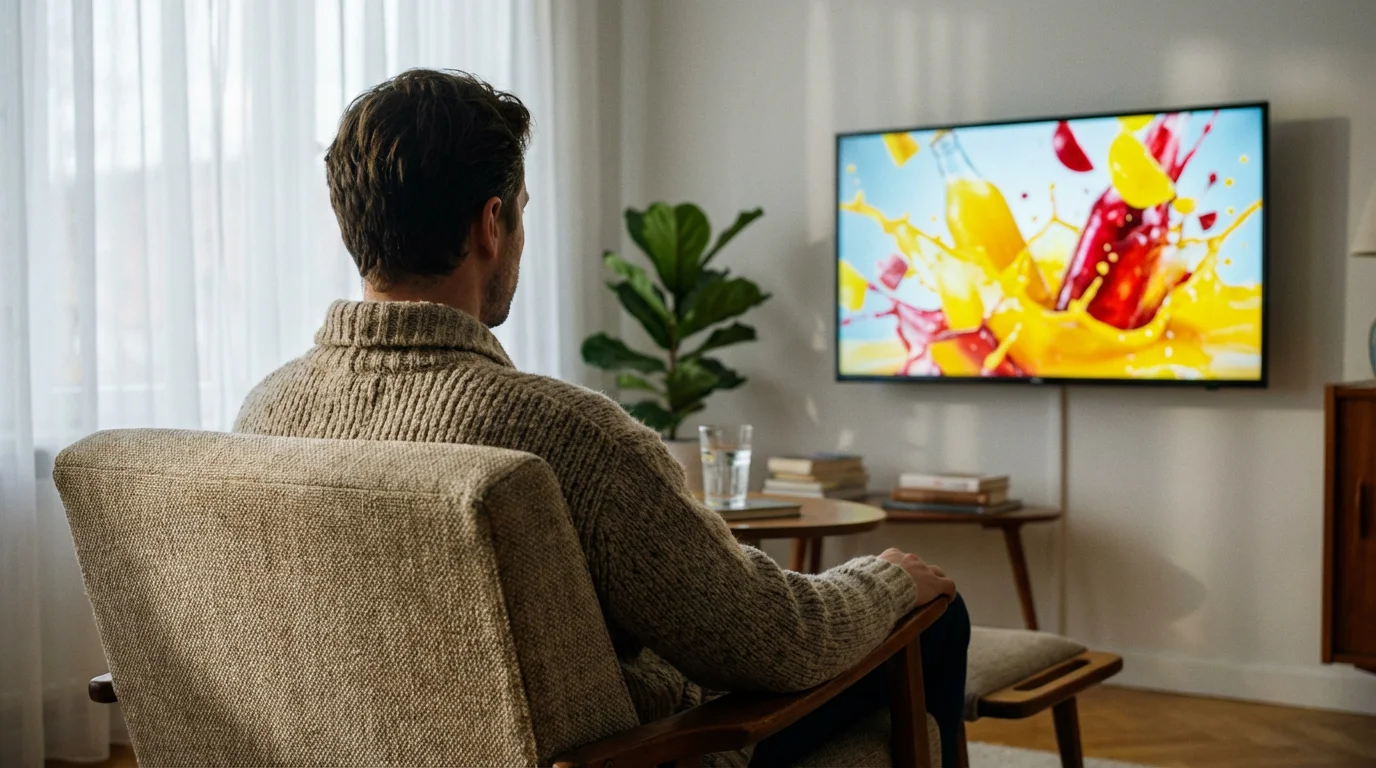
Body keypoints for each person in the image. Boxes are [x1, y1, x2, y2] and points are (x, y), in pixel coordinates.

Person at [234, 68, 970, 766]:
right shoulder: (567, 438)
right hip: (640, 756)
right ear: (492, 224)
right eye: (520, 214)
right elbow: (770, 641)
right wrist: (887, 582)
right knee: (935, 615)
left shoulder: (264, 413)